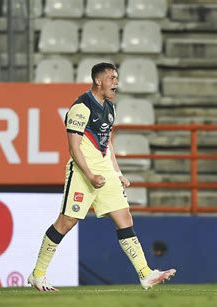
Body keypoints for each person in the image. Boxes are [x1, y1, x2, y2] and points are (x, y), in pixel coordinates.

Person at [27, 63, 176, 291]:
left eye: (116, 78)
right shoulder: (81, 108)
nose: (116, 82)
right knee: (66, 223)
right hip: (82, 172)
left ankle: (145, 274)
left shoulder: (110, 108)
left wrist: (117, 173)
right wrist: (89, 174)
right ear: (99, 81)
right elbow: (74, 147)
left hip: (105, 172)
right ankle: (37, 274)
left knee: (124, 218)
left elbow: (107, 144)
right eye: (112, 78)